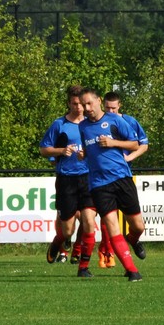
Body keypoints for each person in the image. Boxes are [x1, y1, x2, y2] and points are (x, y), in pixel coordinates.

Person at [78, 87, 146, 282]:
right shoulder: (83, 127)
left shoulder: (116, 120)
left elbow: (135, 144)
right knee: (111, 225)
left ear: (99, 101)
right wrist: (83, 154)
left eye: (89, 103)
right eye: (83, 105)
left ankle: (131, 239)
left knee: (138, 226)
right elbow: (88, 150)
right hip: (99, 184)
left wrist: (113, 143)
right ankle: (132, 271)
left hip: (122, 179)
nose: (87, 108)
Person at [40, 85, 97, 278]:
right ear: (68, 104)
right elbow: (44, 149)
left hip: (88, 178)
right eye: (74, 104)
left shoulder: (91, 124)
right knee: (68, 230)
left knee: (89, 222)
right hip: (66, 179)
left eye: (81, 104)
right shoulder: (59, 125)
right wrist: (60, 151)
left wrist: (87, 154)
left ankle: (83, 267)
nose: (79, 107)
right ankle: (59, 241)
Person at [97, 91, 149, 269]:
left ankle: (133, 239)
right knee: (108, 219)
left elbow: (143, 144)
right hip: (103, 177)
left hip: (124, 175)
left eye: (114, 107)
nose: (110, 111)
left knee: (137, 225)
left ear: (119, 106)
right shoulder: (97, 123)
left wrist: (129, 157)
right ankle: (108, 253)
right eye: (107, 107)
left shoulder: (129, 122)